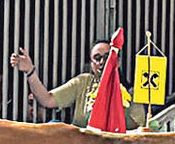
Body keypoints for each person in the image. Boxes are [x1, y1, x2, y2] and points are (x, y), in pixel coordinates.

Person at [10, 38, 145, 126]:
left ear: (118, 61)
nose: (102, 62)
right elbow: (47, 100)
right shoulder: (83, 82)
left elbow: (139, 127)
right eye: (97, 58)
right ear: (91, 63)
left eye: (107, 57)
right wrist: (30, 71)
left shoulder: (131, 92)